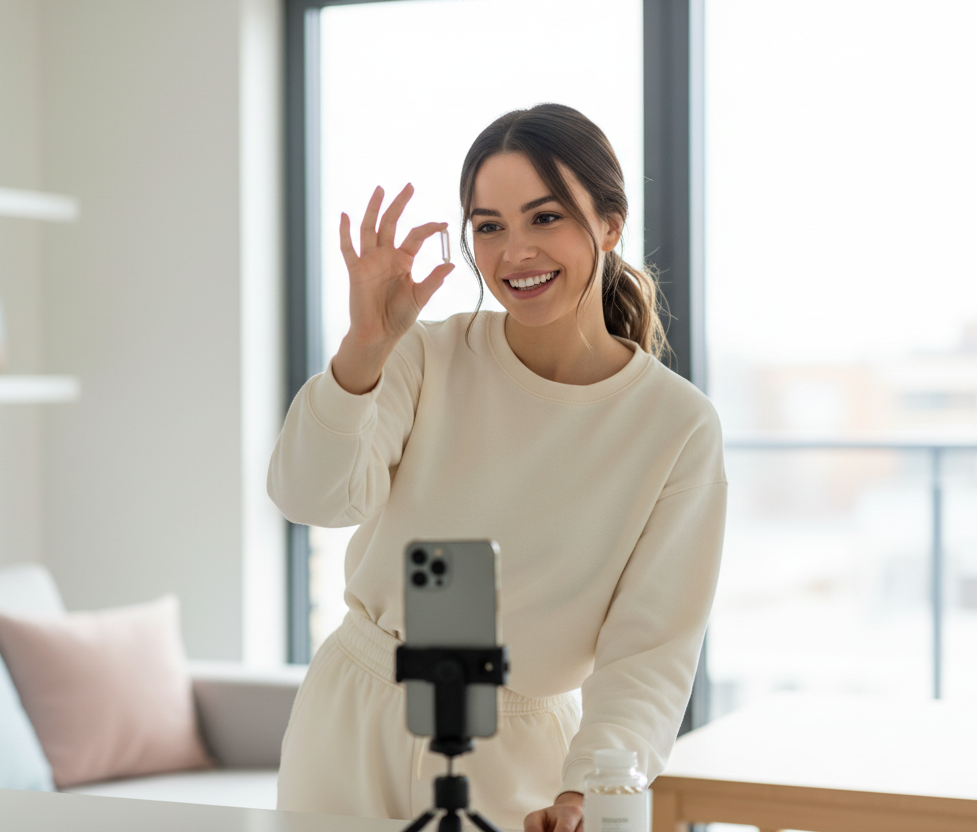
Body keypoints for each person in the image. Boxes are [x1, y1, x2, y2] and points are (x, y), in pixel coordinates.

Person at [269, 103, 726, 832]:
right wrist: (363, 348)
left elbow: (651, 648)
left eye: (545, 218)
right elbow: (309, 497)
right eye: (489, 226)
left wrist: (589, 789)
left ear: (610, 223)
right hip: (350, 720)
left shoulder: (675, 427)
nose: (515, 252)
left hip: (518, 756)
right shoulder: (426, 354)